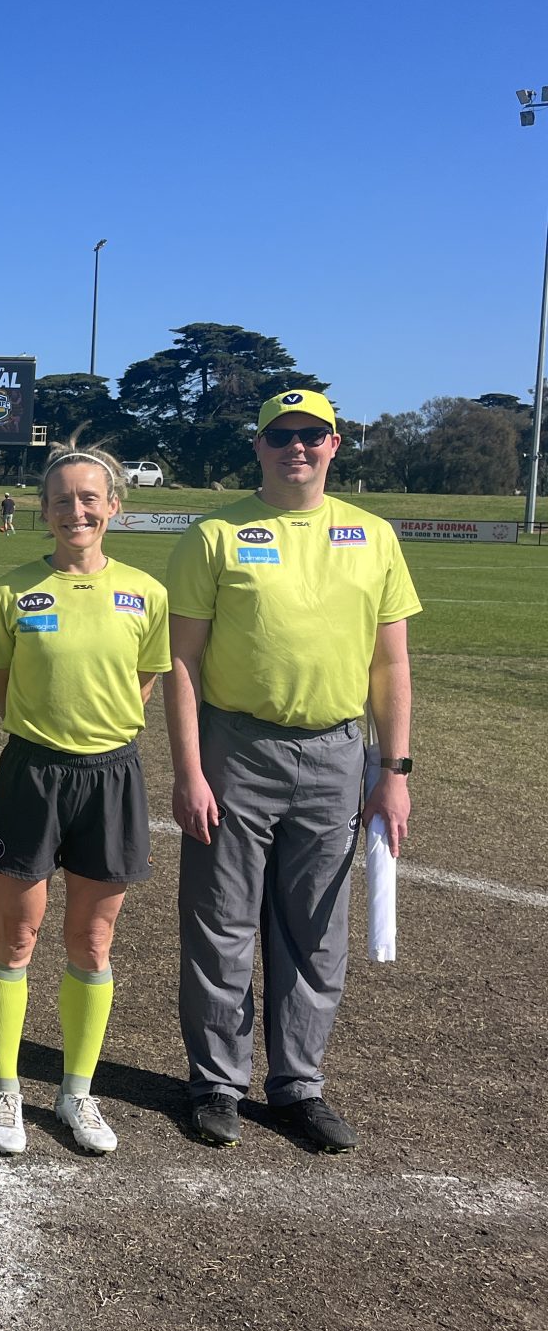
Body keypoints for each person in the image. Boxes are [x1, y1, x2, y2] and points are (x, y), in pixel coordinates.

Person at [167, 389, 418, 1153]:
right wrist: (189, 770)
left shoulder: (372, 536)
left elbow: (392, 661)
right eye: (281, 436)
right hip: (235, 747)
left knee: (315, 931)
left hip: (339, 753)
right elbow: (181, 660)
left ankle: (298, 1087)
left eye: (312, 435)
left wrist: (395, 769)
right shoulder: (215, 533)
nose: (296, 447)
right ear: (259, 446)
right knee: (222, 924)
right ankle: (218, 1083)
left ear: (336, 444)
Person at [0, 440, 170, 1156]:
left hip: (111, 776)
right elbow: (2, 687)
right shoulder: (12, 592)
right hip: (33, 772)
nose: (76, 510)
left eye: (90, 498)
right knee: (16, 935)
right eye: (63, 499)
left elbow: (142, 685)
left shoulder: (146, 593)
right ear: (44, 509)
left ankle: (77, 1091)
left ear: (114, 507)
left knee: (92, 939)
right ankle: (3, 1086)